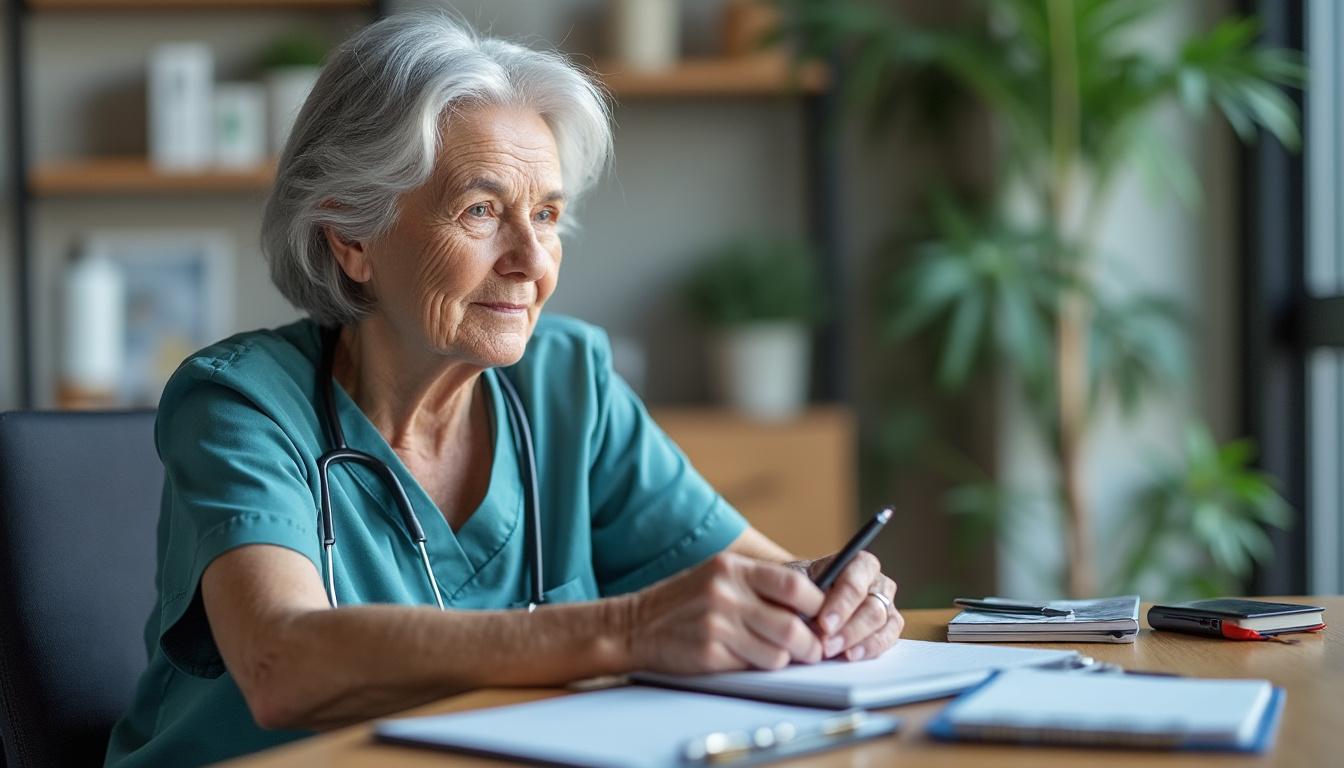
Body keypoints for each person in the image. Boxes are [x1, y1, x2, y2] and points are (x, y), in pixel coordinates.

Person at [104, 13, 902, 767]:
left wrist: (830, 598)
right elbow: (284, 663)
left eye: (548, 214)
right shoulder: (240, 404)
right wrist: (629, 629)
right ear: (351, 236)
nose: (531, 259)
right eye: (482, 210)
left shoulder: (566, 382)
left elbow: (758, 587)